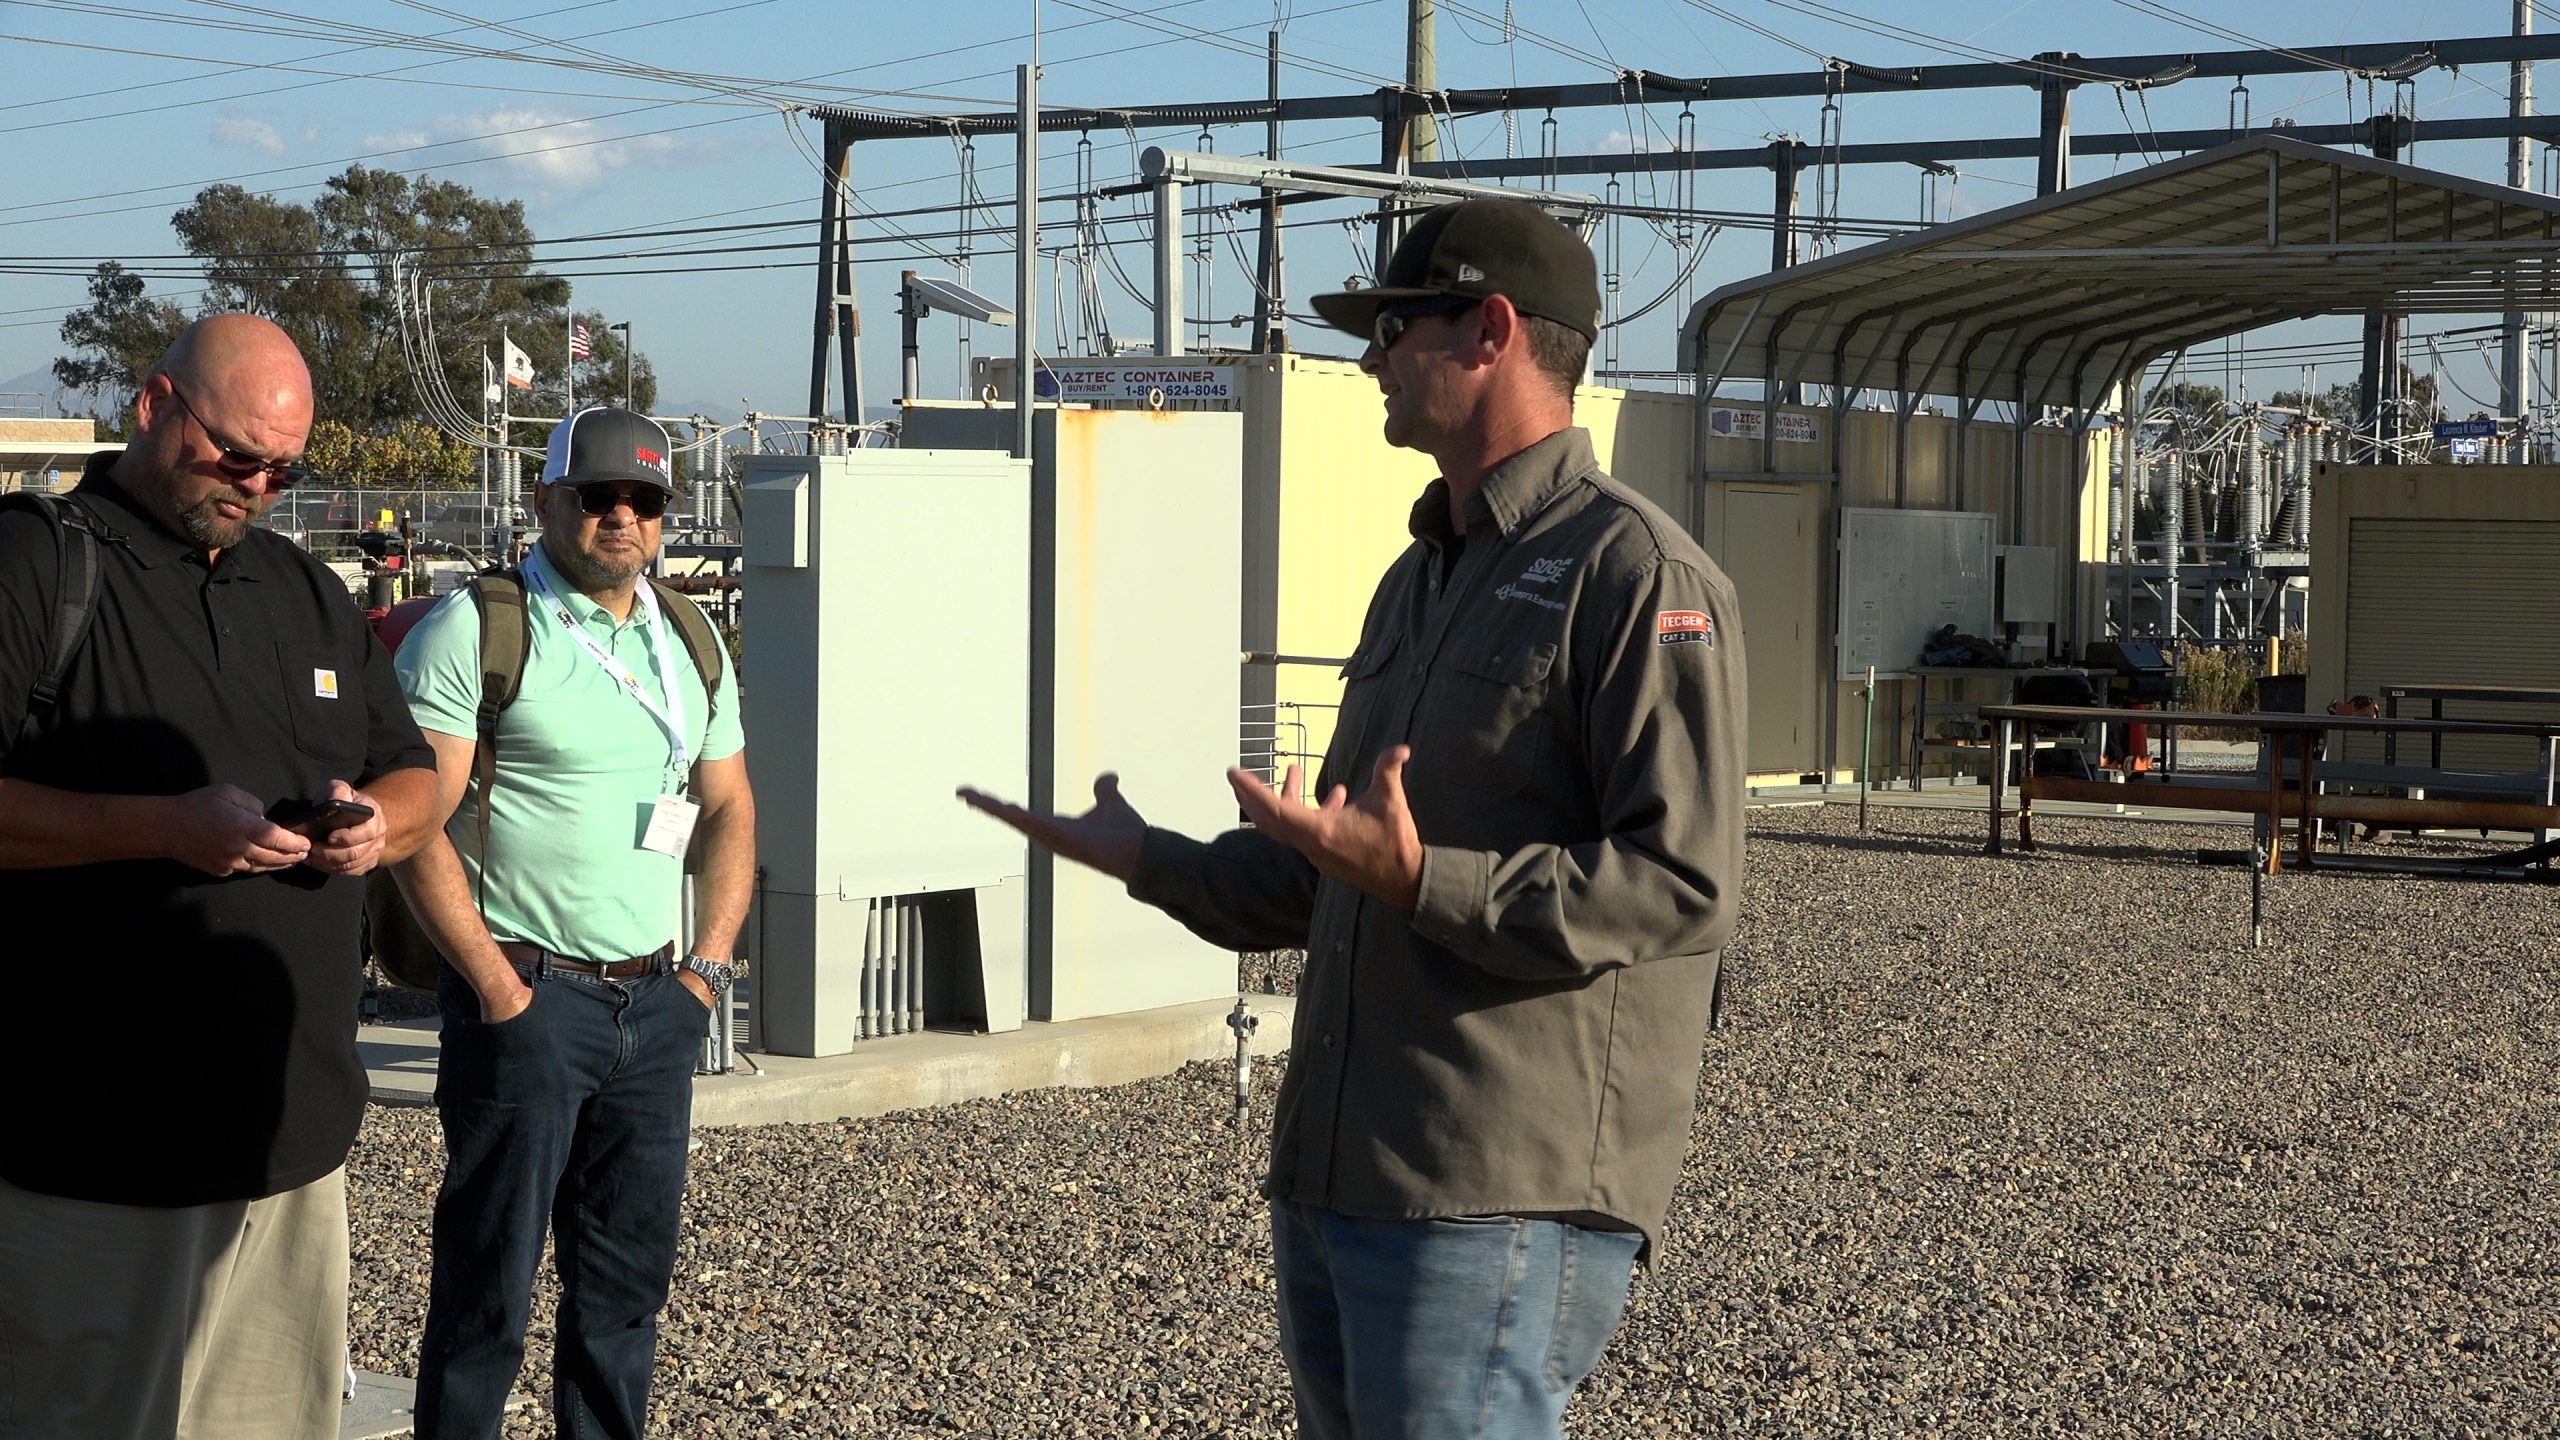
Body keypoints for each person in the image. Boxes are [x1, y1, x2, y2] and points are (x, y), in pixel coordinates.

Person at [961, 198, 1747, 1439]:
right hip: (1343, 1173)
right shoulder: (1420, 575)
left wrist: (1428, 879)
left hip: (1490, 1183)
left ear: (1490, 330)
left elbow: (1679, 882)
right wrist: (1148, 860)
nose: (1369, 358)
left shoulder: (1636, 574)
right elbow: (1329, 872)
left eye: (1392, 327)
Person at [0, 314, 440, 1439]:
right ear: (154, 406)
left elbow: (413, 773)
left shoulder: (305, 589)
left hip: (293, 1149)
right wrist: (163, 828)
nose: (258, 487)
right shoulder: (35, 563)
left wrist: (373, 828)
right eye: (237, 456)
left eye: (284, 470)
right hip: (97, 1155)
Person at [392, 405, 754, 1440]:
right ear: (547, 499)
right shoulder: (479, 630)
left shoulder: (687, 636)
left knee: (625, 1296)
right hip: (528, 999)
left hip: (656, 1004)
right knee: (487, 1294)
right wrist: (497, 989)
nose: (623, 517)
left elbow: (730, 805)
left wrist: (705, 974)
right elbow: (416, 823)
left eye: (646, 500)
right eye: (599, 496)